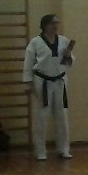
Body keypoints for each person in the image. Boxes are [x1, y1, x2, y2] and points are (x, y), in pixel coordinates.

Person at [22, 13, 75, 161]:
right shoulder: (35, 42)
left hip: (60, 81)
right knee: (41, 117)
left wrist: (68, 55)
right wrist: (28, 82)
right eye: (53, 23)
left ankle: (63, 149)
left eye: (57, 23)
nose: (55, 26)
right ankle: (40, 151)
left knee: (62, 116)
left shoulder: (63, 40)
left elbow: (69, 62)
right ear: (45, 25)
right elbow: (28, 63)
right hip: (42, 82)